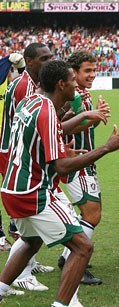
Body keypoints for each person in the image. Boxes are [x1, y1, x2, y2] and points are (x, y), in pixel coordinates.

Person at [0, 59, 119, 307]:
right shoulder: (47, 111)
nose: (76, 84)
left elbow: (41, 139)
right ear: (61, 84)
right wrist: (106, 148)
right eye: (72, 80)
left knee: (31, 241)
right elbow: (60, 166)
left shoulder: (32, 102)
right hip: (33, 192)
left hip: (11, 189)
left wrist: (76, 134)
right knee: (83, 247)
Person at [0, 43, 55, 292]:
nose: (49, 61)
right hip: (15, 156)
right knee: (23, 217)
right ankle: (20, 273)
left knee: (30, 217)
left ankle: (28, 264)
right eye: (44, 58)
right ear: (29, 62)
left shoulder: (31, 83)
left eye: (51, 57)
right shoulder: (24, 86)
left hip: (20, 155)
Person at [56, 51, 107, 288]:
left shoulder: (81, 94)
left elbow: (83, 123)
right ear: (73, 72)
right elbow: (60, 128)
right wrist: (93, 118)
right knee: (92, 214)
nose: (93, 75)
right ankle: (76, 261)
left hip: (86, 159)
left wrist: (95, 118)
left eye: (94, 70)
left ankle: (68, 256)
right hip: (77, 162)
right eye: (88, 70)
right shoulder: (69, 96)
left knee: (90, 213)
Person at [0, 53, 25, 251]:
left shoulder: (10, 89)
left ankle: (14, 227)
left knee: (13, 186)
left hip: (8, 145)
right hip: (5, 146)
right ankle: (0, 235)